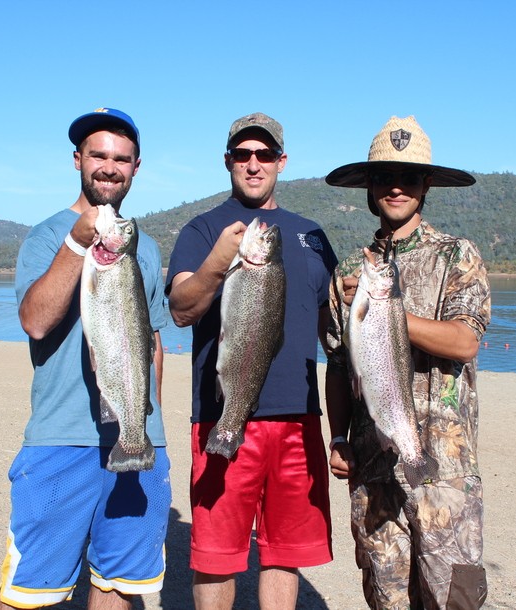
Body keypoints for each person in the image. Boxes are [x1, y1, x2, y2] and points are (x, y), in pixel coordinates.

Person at [0, 108, 171, 610]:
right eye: (99, 155)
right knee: (30, 590)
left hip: (138, 441)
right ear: (77, 160)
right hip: (61, 439)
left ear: (136, 168)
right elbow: (36, 322)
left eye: (121, 159)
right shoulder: (48, 236)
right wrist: (78, 242)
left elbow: (153, 342)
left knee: (118, 584)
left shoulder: (148, 248)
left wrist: (150, 425)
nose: (109, 167)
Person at [165, 112, 337, 609]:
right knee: (216, 555)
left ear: (282, 162)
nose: (254, 163)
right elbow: (182, 308)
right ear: (228, 162)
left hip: (299, 418)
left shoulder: (312, 235)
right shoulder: (201, 231)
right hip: (224, 413)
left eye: (264, 154)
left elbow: (335, 328)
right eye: (243, 154)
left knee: (284, 553)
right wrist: (221, 259)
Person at [324, 116, 492, 610]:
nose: (396, 187)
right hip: (372, 475)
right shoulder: (350, 272)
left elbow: (464, 342)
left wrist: (386, 311)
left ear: (427, 186)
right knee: (386, 600)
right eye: (383, 177)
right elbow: (337, 364)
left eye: (410, 177)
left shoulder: (457, 255)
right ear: (369, 188)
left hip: (445, 475)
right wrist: (337, 436)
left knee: (451, 601)